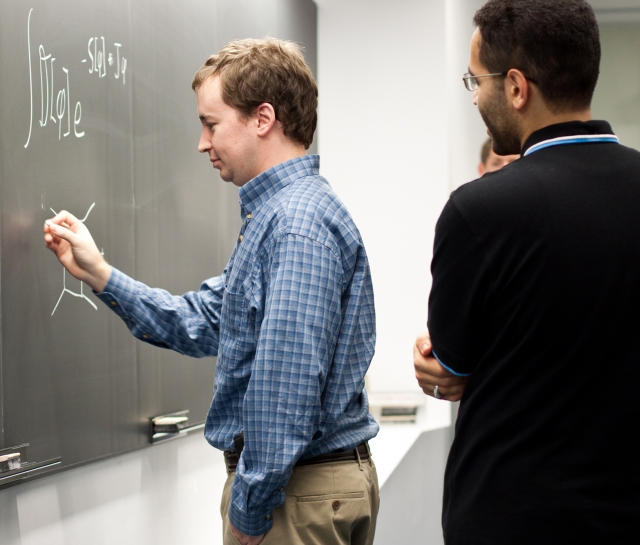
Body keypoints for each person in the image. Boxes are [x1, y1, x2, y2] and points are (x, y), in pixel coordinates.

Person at [44, 38, 379, 545]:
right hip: (299, 486)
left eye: (211, 123)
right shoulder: (280, 217)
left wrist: (249, 508)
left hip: (294, 493)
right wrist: (100, 274)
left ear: (262, 119)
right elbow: (201, 320)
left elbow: (285, 386)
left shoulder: (294, 225)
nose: (203, 143)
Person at [414, 1, 640, 543]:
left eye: (476, 80)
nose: (474, 96)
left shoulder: (478, 211)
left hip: (511, 517)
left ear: (516, 87)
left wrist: (435, 362)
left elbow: (450, 365)